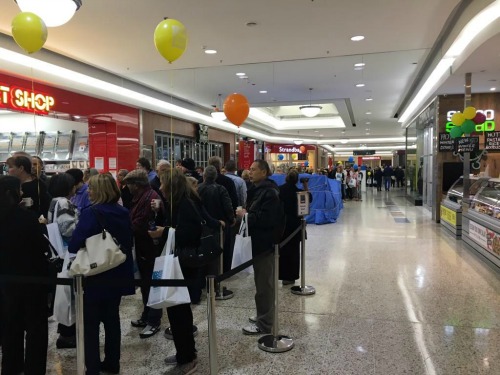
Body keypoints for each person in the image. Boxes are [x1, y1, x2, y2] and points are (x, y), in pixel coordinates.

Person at [68, 174, 134, 375]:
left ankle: (93, 367)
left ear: (99, 191)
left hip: (96, 274)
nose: (89, 191)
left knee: (91, 324)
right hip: (118, 272)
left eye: (92, 188)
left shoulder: (91, 213)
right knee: (112, 320)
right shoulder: (123, 212)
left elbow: (75, 243)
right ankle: (113, 362)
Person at [148, 168, 200, 374]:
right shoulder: (176, 204)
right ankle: (183, 353)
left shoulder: (186, 204)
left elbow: (191, 233)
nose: (159, 187)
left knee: (180, 312)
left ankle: (187, 358)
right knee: (176, 311)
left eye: (162, 183)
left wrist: (166, 231)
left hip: (183, 266)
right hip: (178, 263)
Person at [0, 175, 49, 375]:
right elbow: (41, 247)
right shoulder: (27, 218)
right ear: (13, 193)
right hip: (32, 282)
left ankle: (11, 368)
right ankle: (34, 369)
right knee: (36, 329)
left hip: (6, 283)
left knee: (10, 328)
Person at [236, 160, 283, 335]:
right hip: (257, 244)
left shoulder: (269, 193)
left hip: (265, 245)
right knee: (260, 284)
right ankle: (263, 315)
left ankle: (265, 324)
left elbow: (267, 220)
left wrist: (246, 215)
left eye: (254, 169)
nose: (250, 172)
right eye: (249, 169)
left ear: (264, 172)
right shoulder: (256, 190)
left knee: (265, 286)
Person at [123, 170, 163, 339]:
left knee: (152, 283)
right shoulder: (142, 197)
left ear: (137, 185)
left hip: (149, 248)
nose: (127, 187)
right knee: (146, 284)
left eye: (129, 184)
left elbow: (140, 224)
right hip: (142, 247)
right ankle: (146, 315)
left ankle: (154, 321)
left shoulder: (149, 198)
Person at [47, 173, 79, 349]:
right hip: (68, 253)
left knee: (65, 295)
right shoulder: (64, 202)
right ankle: (67, 335)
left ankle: (65, 333)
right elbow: (68, 229)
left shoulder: (53, 201)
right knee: (70, 296)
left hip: (59, 253)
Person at [278, 170, 312, 285]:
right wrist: (306, 186)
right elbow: (309, 199)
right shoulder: (299, 192)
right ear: (297, 180)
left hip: (282, 224)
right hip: (295, 225)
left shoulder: (280, 190)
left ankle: (282, 275)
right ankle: (291, 276)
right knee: (294, 251)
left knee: (282, 250)